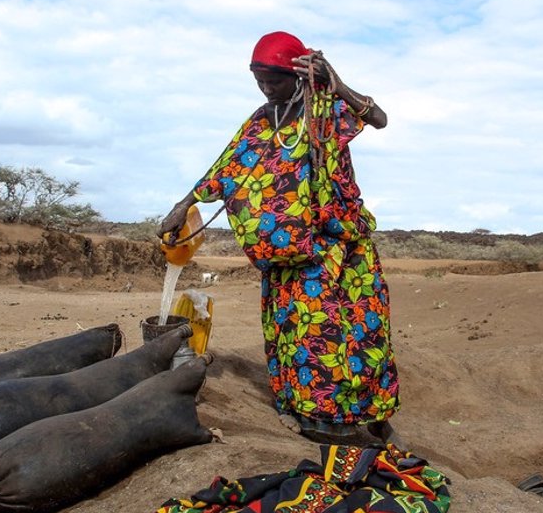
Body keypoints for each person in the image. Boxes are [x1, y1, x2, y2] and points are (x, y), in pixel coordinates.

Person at [158, 31, 399, 446]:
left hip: (337, 250)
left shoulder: (325, 109)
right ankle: (315, 420)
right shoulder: (260, 121)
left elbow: (378, 119)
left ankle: (367, 417)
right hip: (287, 257)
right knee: (298, 335)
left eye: (276, 81)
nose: (268, 89)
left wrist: (336, 83)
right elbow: (226, 168)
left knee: (353, 333)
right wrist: (184, 203)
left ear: (299, 75)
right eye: (260, 81)